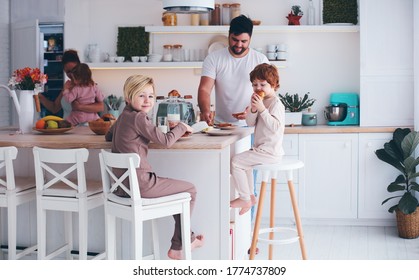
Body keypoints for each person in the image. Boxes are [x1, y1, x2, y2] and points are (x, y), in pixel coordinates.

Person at [105, 74, 204, 260]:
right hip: (141, 185)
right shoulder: (139, 119)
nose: (147, 100)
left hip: (122, 188)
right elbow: (166, 141)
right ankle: (179, 245)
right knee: (190, 190)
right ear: (128, 97)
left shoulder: (124, 116)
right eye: (141, 95)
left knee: (178, 196)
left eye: (150, 96)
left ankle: (182, 241)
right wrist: (182, 127)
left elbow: (107, 137)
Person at [230, 63, 285, 215]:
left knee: (236, 162)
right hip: (261, 150)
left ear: (273, 85)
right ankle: (251, 197)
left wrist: (262, 109)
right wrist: (253, 110)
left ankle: (244, 198)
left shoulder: (275, 103)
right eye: (255, 84)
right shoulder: (260, 101)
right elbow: (250, 123)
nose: (258, 88)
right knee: (243, 164)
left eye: (263, 84)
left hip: (270, 152)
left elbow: (275, 127)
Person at [198, 15, 269, 126]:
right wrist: (205, 111)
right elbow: (204, 90)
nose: (239, 45)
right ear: (228, 35)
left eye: (244, 41)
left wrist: (251, 110)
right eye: (235, 40)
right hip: (221, 126)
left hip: (252, 125)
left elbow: (267, 92)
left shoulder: (260, 60)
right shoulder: (213, 58)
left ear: (250, 38)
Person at [38, 49, 104, 118]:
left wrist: (80, 107)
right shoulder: (67, 87)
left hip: (87, 126)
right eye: (68, 72)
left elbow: (100, 107)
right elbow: (54, 108)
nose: (72, 74)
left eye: (74, 70)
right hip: (68, 126)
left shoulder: (89, 85)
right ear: (64, 71)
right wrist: (39, 96)